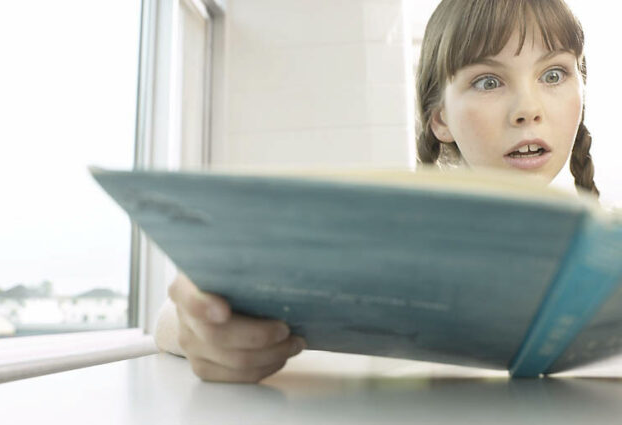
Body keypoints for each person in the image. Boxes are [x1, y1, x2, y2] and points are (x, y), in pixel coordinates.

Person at [154, 0, 599, 383]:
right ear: (440, 117)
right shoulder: (386, 243)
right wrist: (200, 321)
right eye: (488, 81)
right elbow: (170, 321)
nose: (528, 109)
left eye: (554, 74)